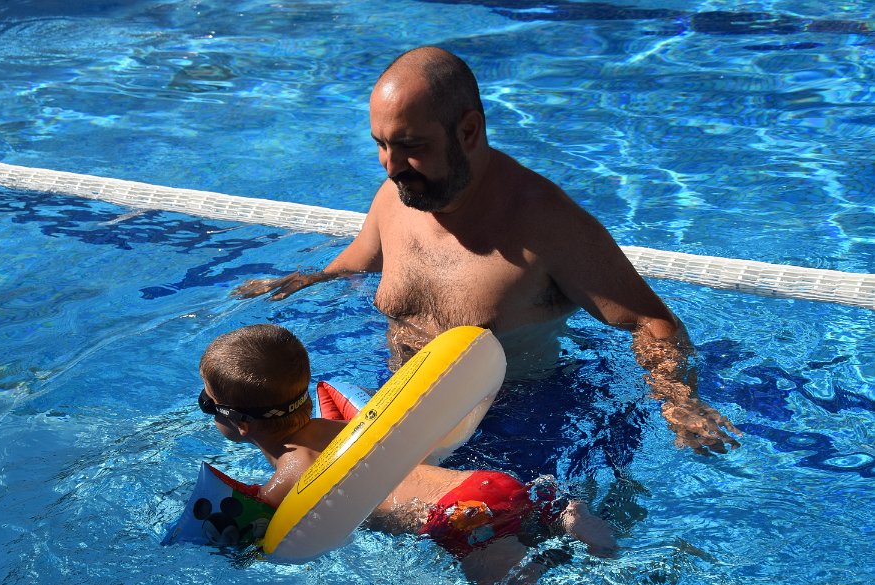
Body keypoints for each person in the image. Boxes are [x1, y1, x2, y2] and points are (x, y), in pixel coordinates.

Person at [233, 46, 740, 455]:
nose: (391, 165)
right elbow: (360, 261)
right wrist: (304, 279)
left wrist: (679, 401)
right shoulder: (398, 195)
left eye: (411, 145)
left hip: (520, 429)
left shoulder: (547, 225)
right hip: (396, 405)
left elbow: (652, 321)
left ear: (469, 131)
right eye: (381, 144)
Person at [198, 324, 616, 585]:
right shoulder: (339, 428)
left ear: (240, 423)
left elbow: (260, 537)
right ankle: (577, 522)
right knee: (551, 523)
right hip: (485, 483)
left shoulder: (290, 471)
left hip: (459, 517)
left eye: (207, 403)